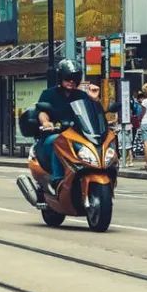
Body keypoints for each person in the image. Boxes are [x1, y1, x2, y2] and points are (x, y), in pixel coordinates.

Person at [36, 59, 92, 192]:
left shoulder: (82, 95)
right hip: (54, 134)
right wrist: (46, 122)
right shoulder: (49, 94)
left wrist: (94, 99)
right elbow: (42, 112)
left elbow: (92, 114)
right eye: (68, 78)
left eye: (74, 78)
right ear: (60, 78)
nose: (71, 81)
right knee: (58, 141)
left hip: (78, 136)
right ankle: (57, 178)